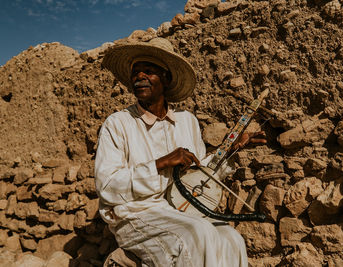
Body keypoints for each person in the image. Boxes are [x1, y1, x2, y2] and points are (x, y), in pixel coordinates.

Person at [95, 37, 264, 267]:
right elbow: (107, 187)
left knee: (232, 240)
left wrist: (232, 149)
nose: (139, 77)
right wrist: (160, 163)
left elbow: (199, 171)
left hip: (179, 210)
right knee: (199, 232)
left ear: (166, 79)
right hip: (135, 214)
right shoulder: (117, 124)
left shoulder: (187, 122)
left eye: (148, 71)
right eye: (136, 72)